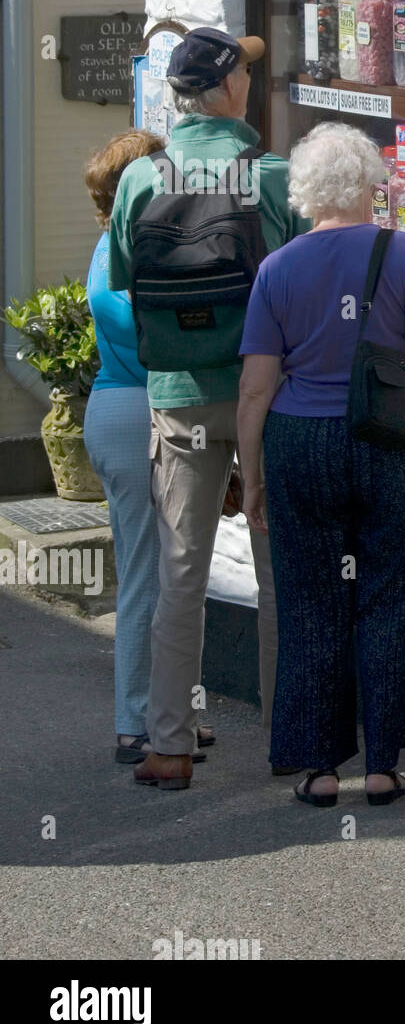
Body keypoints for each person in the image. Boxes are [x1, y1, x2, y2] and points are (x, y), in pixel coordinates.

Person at [236, 123, 405, 807]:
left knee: (310, 600)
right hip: (393, 444)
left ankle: (316, 769)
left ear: (307, 192)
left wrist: (250, 475)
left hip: (301, 445)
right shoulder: (400, 254)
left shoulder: (278, 268)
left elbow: (256, 387)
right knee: (392, 595)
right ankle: (382, 762)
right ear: (371, 187)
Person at [107, 28, 309, 791]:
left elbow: (129, 275)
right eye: (245, 76)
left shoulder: (140, 178)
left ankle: (167, 746)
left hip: (179, 397)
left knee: (180, 573)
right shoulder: (274, 175)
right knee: (276, 573)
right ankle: (289, 739)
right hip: (265, 396)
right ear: (229, 90)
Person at [83, 129, 216, 764]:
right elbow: (145, 336)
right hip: (134, 407)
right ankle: (135, 719)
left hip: (147, 407)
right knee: (147, 571)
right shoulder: (114, 252)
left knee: (178, 571)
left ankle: (175, 713)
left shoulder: (134, 246)